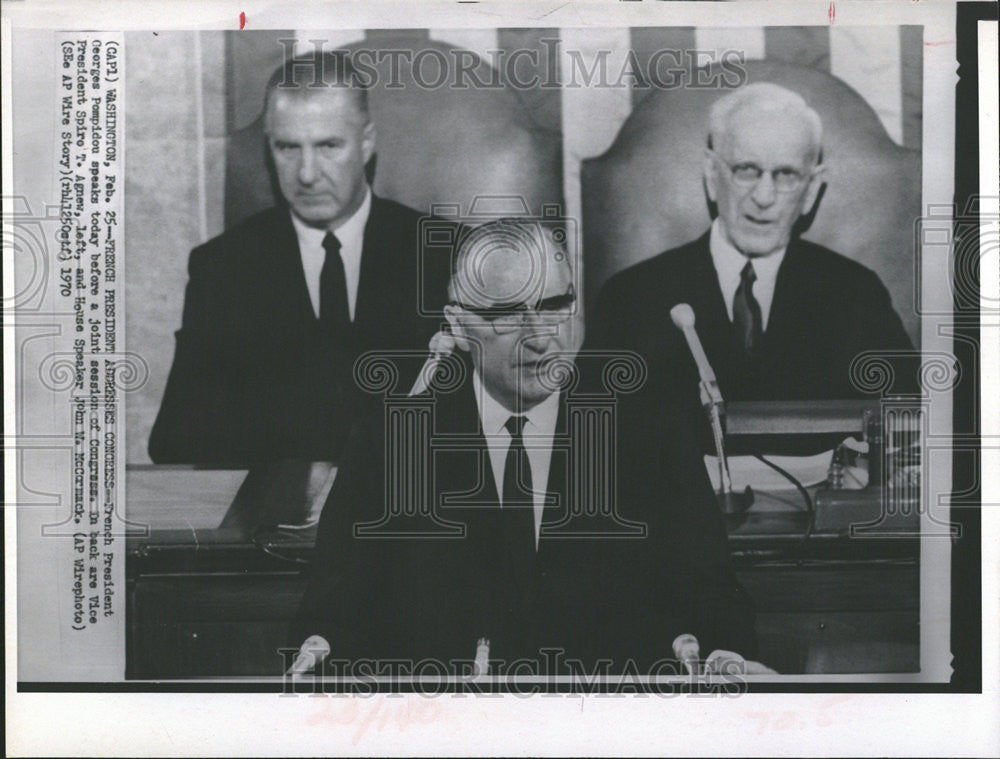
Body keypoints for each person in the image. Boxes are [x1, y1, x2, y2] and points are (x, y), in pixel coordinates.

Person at [292, 219, 758, 677]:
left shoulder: (649, 432)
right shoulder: (390, 444)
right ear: (458, 324)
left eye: (555, 303)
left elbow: (714, 602)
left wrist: (726, 661)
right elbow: (332, 619)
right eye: (508, 313)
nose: (541, 336)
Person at [149, 51, 451, 464]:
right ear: (269, 147)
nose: (307, 174)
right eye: (288, 148)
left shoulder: (447, 256)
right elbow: (175, 441)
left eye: (328, 145)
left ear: (365, 143)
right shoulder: (223, 268)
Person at [587, 82, 914, 405]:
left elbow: (907, 438)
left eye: (786, 175)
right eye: (746, 170)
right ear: (712, 174)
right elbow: (588, 445)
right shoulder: (631, 299)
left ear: (811, 189)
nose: (764, 197)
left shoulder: (858, 297)